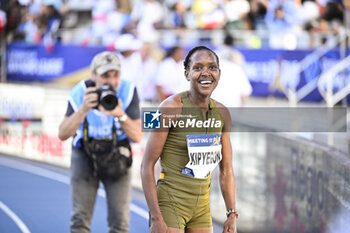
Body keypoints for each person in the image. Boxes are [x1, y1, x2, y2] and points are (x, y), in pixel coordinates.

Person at [141, 46, 237, 233]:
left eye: (212, 67)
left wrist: (231, 213)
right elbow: (146, 166)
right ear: (187, 74)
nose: (206, 73)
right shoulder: (169, 108)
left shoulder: (223, 113)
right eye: (198, 68)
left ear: (219, 73)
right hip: (170, 202)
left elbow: (227, 170)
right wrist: (156, 217)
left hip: (201, 206)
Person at [58, 51, 142, 233]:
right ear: (93, 75)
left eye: (115, 75)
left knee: (120, 224)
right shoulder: (81, 91)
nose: (110, 81)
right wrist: (83, 110)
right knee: (79, 220)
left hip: (117, 154)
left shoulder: (128, 91)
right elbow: (63, 134)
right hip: (85, 153)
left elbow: (137, 136)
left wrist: (121, 115)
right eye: (105, 75)